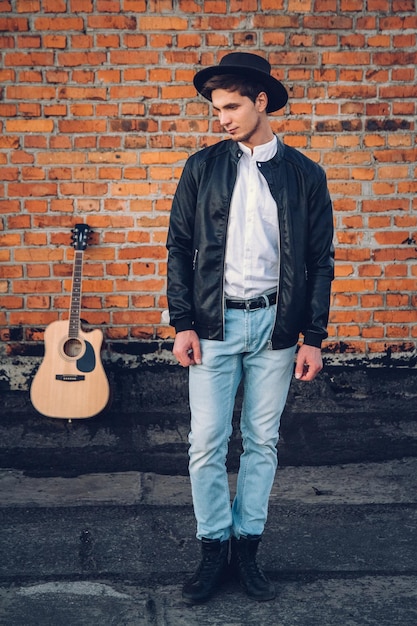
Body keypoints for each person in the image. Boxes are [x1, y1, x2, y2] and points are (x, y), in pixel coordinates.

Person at [166, 51, 334, 604]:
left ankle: (249, 549)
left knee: (263, 441)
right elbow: (180, 248)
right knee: (206, 443)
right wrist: (183, 322)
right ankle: (213, 549)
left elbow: (318, 261)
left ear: (262, 102)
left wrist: (313, 336)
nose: (223, 118)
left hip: (274, 328)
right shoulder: (202, 167)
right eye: (217, 109)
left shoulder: (305, 174)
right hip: (214, 326)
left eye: (233, 106)